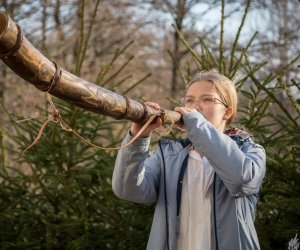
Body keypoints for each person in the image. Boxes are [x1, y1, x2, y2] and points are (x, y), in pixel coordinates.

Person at [112, 70, 266, 250]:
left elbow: (242, 180)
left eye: (207, 99)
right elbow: (127, 190)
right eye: (190, 100)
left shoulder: (250, 151)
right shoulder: (167, 155)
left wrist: (197, 124)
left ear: (227, 112)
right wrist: (138, 135)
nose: (195, 107)